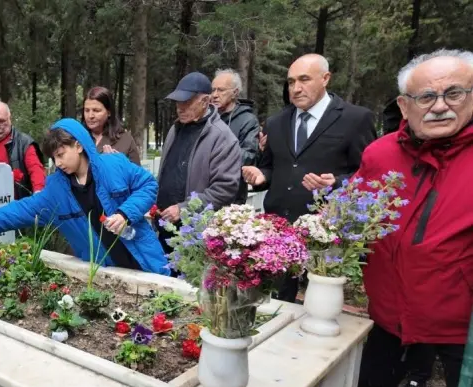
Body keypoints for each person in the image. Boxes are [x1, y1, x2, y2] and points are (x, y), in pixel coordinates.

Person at [353, 49, 473, 387]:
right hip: (388, 310)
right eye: (426, 97)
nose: (440, 105)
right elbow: (357, 212)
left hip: (461, 327)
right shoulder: (381, 154)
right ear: (404, 105)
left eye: (454, 93)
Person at [241, 54, 376, 303]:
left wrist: (335, 183)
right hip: (279, 229)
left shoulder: (355, 119)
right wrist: (261, 176)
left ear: (325, 79)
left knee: (319, 305)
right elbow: (272, 168)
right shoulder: (276, 122)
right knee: (275, 303)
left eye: (304, 79)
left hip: (324, 232)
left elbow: (368, 174)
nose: (296, 88)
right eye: (291, 82)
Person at [0, 119, 167, 275]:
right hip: (106, 273)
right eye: (53, 157)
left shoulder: (114, 165)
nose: (57, 163)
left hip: (147, 260)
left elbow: (148, 185)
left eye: (61, 154)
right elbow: (20, 211)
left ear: (78, 145)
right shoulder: (55, 191)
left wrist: (124, 214)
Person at [155, 71, 242, 255]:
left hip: (195, 234)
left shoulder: (223, 138)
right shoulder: (175, 128)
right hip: (164, 225)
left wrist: (183, 209)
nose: (180, 108)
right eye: (178, 102)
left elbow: (224, 189)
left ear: (205, 101)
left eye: (186, 102)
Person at [211, 68, 261, 204]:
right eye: (213, 90)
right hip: (205, 193)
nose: (214, 95)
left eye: (220, 90)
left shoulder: (248, 120)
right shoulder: (207, 118)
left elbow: (248, 156)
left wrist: (215, 156)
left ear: (235, 93)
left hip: (232, 196)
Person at [0, 101, 46, 199]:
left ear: (9, 119)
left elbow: (36, 170)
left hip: (16, 205)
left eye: (1, 121)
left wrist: (38, 194)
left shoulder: (23, 143)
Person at [83, 86, 141, 164]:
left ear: (109, 112)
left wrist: (116, 164)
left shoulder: (125, 140)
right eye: (87, 110)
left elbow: (137, 174)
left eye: (96, 111)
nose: (90, 116)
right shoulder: (77, 138)